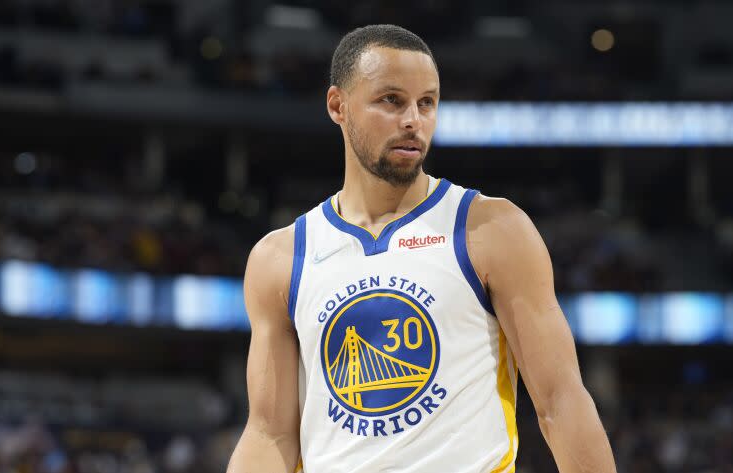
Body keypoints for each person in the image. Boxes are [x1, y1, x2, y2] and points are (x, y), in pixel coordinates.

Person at [227, 24, 617, 473]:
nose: (413, 119)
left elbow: (561, 401)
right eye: (391, 100)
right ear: (338, 105)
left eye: (426, 102)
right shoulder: (281, 257)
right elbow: (269, 433)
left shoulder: (490, 228)